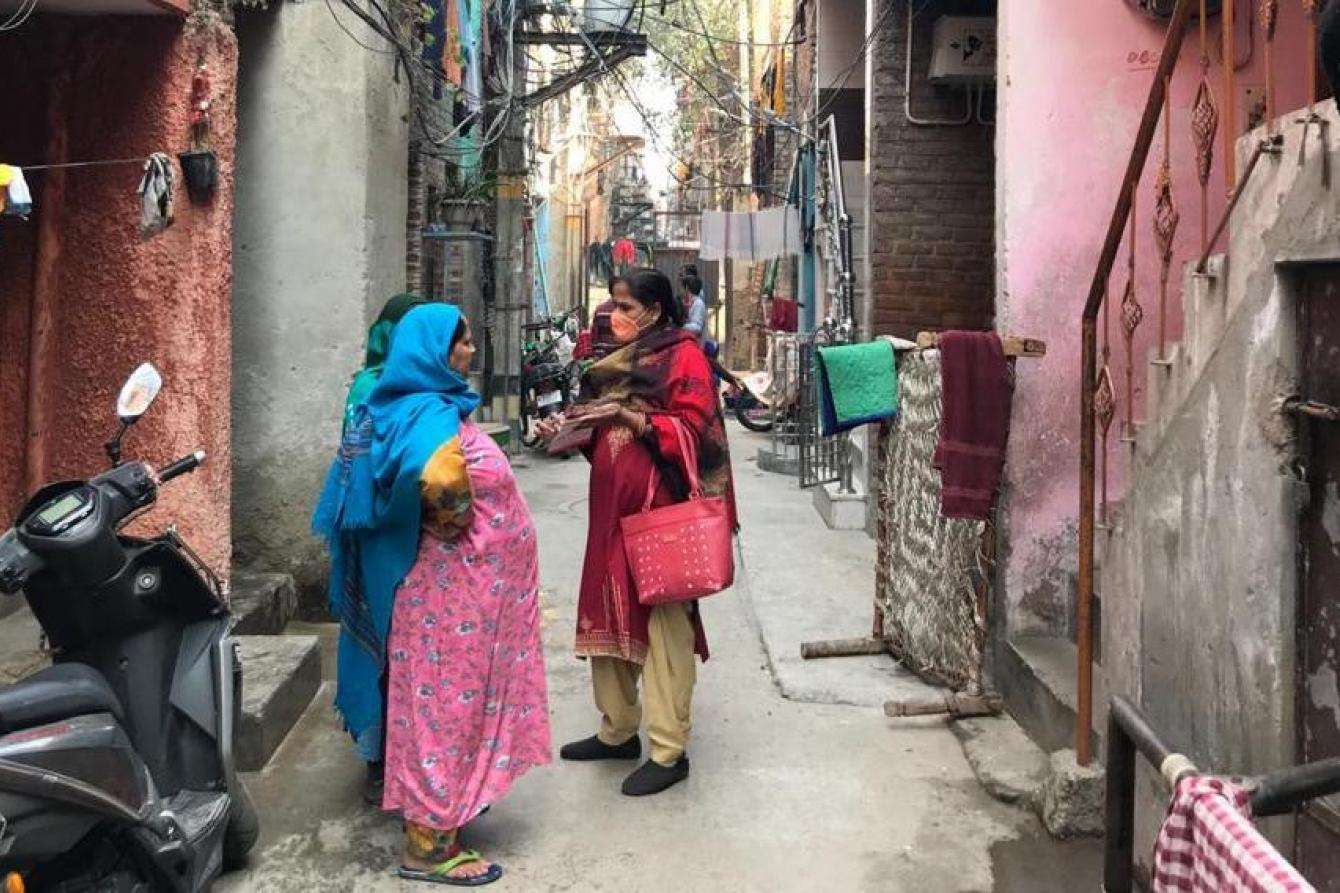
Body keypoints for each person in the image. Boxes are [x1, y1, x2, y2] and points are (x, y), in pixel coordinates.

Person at [313, 304, 551, 885]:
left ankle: (444, 817)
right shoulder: (426, 415)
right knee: (445, 712)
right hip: (451, 599)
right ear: (432, 352)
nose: (470, 350)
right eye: (462, 342)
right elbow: (444, 494)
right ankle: (429, 847)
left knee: (445, 709)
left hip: (458, 598)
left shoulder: (416, 407)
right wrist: (471, 529)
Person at [539, 268, 736, 797]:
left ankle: (670, 749)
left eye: (626, 306)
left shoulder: (683, 355)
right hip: (610, 510)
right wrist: (567, 429)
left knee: (662, 622)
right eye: (614, 305)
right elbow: (598, 428)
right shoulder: (610, 362)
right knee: (606, 608)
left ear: (654, 309)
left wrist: (635, 419)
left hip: (659, 513)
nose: (616, 315)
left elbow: (695, 428)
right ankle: (617, 730)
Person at [680, 267, 708, 342]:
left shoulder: (698, 303)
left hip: (697, 344)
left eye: (682, 288)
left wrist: (681, 325)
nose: (681, 290)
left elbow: (697, 327)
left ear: (687, 288)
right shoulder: (691, 301)